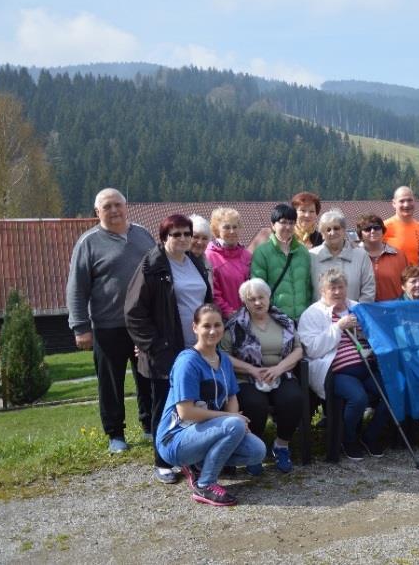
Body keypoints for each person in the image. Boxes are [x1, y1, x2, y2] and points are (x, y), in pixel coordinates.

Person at [66, 188, 155, 453]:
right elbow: (76, 288)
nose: (114, 210)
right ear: (97, 212)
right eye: (107, 207)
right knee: (111, 383)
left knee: (147, 377)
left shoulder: (143, 234)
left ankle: (150, 426)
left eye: (118, 205)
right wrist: (80, 327)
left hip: (142, 323)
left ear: (126, 206)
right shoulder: (88, 242)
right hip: (107, 326)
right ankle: (115, 434)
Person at [125, 214, 212, 484]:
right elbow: (134, 313)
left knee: (195, 405)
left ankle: (192, 457)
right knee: (165, 407)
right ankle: (162, 461)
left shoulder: (195, 262)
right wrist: (156, 347)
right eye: (176, 234)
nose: (184, 239)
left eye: (187, 233)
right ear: (164, 237)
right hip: (165, 353)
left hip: (196, 349)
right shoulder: (152, 266)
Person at [156, 303, 266, 507]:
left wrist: (238, 424)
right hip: (176, 439)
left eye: (217, 325)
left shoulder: (223, 359)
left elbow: (232, 397)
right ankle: (205, 484)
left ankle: (198, 464)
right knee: (234, 424)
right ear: (195, 328)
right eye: (206, 326)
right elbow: (185, 411)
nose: (213, 331)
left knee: (257, 451)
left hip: (204, 433)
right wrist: (232, 420)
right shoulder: (187, 362)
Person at [298, 269, 389, 460]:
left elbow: (376, 337)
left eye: (341, 287)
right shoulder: (312, 313)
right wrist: (338, 327)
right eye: (332, 288)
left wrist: (364, 331)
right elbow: (313, 349)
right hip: (337, 371)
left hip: (367, 366)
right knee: (359, 398)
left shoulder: (356, 307)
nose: (338, 292)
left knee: (392, 393)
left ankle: (370, 436)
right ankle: (348, 439)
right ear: (323, 290)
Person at [222, 278, 304, 474]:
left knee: (293, 398)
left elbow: (299, 350)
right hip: (247, 376)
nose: (257, 303)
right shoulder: (235, 325)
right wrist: (251, 370)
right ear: (245, 301)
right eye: (251, 299)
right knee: (254, 403)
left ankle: (281, 445)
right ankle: (254, 450)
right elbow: (223, 355)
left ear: (269, 297)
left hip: (280, 374)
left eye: (261, 297)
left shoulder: (283, 320)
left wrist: (279, 368)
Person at [251, 204, 313, 321]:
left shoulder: (303, 252)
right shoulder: (262, 252)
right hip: (275, 318)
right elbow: (258, 288)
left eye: (291, 223)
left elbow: (308, 287)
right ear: (273, 225)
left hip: (302, 319)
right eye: (283, 222)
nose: (288, 227)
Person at [311, 209, 376, 303]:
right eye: (328, 229)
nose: (332, 233)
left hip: (354, 315)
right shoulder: (312, 256)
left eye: (336, 228)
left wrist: (357, 313)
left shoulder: (361, 255)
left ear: (344, 230)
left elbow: (368, 290)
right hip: (320, 316)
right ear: (322, 234)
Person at [205, 207, 251, 317]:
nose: (232, 231)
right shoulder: (209, 255)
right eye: (226, 227)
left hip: (248, 317)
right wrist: (229, 312)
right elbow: (213, 292)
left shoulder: (247, 255)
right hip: (223, 319)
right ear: (217, 230)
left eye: (235, 227)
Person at [356, 213, 408, 301]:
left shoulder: (398, 255)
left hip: (394, 309)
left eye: (376, 227)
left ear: (382, 230)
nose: (372, 231)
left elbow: (407, 282)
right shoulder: (354, 256)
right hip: (363, 310)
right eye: (367, 229)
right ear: (360, 234)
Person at [383, 186, 419, 266]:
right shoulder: (384, 227)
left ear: (415, 201)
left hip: (417, 277)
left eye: (410, 200)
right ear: (394, 203)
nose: (406, 205)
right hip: (395, 277)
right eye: (402, 201)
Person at [188, 213, 213, 282]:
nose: (200, 242)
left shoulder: (207, 264)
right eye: (196, 237)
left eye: (204, 238)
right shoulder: (179, 262)